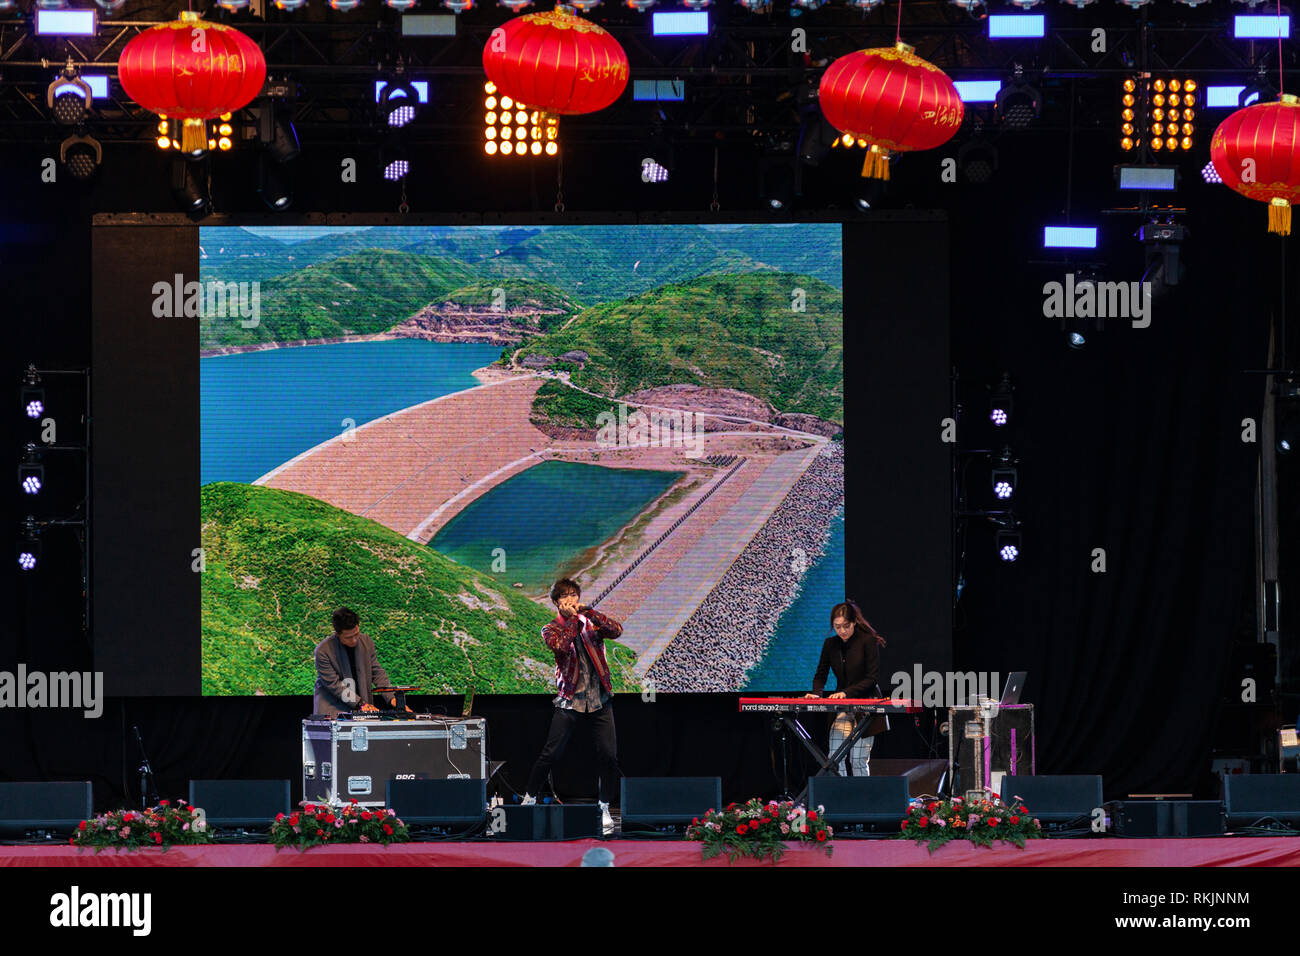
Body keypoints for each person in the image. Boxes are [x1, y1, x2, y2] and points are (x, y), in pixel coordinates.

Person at [523, 578, 622, 835]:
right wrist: (572, 622)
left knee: (608, 756)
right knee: (550, 753)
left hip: (599, 699)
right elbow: (561, 646)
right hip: (570, 700)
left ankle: (603, 807)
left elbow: (616, 631)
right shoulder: (550, 628)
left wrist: (589, 613)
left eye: (574, 596)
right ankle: (529, 799)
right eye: (565, 598)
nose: (571, 601)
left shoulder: (590, 621)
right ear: (557, 603)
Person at [804, 599, 888, 776]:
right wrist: (816, 694)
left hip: (867, 706)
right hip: (843, 706)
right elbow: (821, 674)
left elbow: (871, 678)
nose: (842, 631)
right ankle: (840, 799)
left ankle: (862, 801)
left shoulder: (868, 641)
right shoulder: (830, 644)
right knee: (834, 757)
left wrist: (845, 692)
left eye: (846, 625)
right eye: (837, 626)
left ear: (855, 622)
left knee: (857, 759)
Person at [313, 607, 406, 716]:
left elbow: (377, 672)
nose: (354, 640)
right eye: (348, 637)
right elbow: (334, 685)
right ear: (337, 634)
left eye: (356, 634)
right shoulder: (323, 651)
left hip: (363, 710)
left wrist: (392, 698)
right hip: (333, 710)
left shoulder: (366, 642)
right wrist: (360, 704)